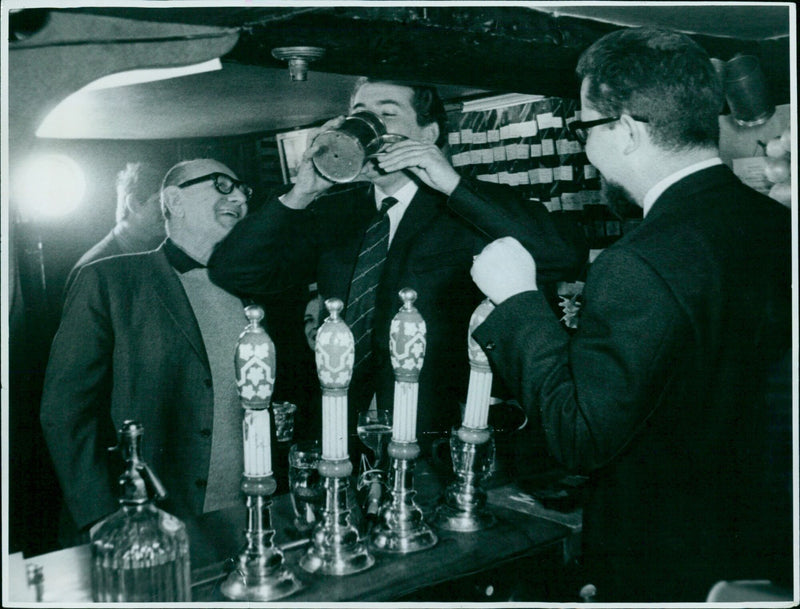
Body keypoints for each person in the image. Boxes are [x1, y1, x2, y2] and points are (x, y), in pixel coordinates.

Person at [470, 28, 792, 602]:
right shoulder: (775, 224)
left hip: (669, 562)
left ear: (625, 131)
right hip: (759, 547)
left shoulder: (638, 261)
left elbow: (581, 433)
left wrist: (516, 303)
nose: (583, 149)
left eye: (583, 129)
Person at [208, 78, 587, 451]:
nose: (367, 128)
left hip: (437, 431)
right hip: (339, 426)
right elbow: (235, 271)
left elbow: (562, 256)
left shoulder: (466, 209)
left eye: (386, 115)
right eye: (359, 115)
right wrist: (302, 191)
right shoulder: (334, 214)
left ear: (429, 133)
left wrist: (451, 183)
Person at [40, 158, 251, 540]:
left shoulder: (260, 284)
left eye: (242, 189)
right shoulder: (107, 280)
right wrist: (101, 516)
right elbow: (65, 410)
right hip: (146, 519)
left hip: (246, 514)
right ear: (173, 199)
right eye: (222, 184)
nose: (238, 195)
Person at [64, 161, 166, 293]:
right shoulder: (93, 269)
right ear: (133, 204)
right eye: (159, 202)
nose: (167, 210)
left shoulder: (156, 253)